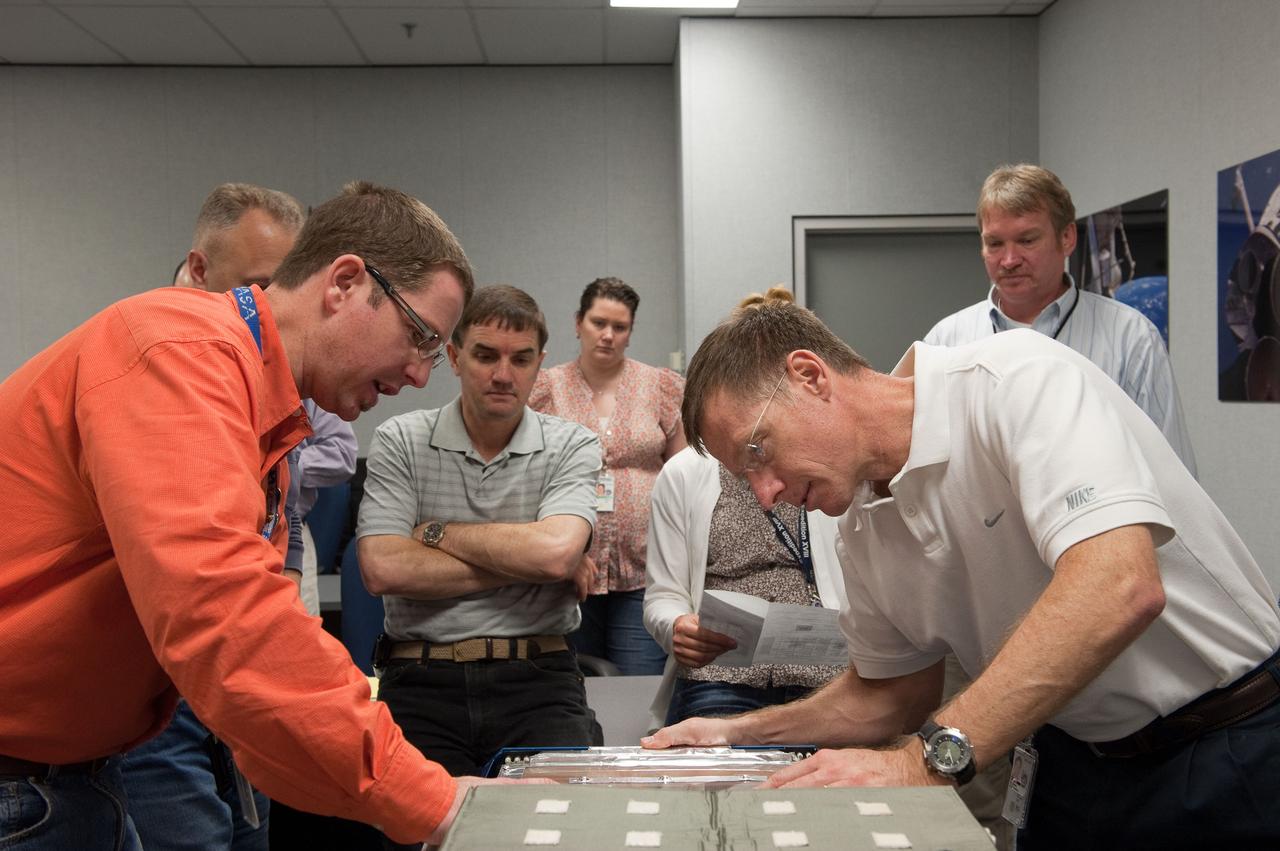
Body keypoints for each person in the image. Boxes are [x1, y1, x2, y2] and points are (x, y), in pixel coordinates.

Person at [642, 298, 1280, 850]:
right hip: (1076, 759)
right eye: (742, 476)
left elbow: (1118, 585)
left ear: (810, 376)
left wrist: (927, 761)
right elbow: (890, 694)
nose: (765, 492)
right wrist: (734, 733)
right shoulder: (861, 527)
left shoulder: (1017, 382)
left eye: (759, 453)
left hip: (1227, 741)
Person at [0, 181, 521, 849]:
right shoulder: (181, 350)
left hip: (73, 778)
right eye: (419, 336)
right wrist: (434, 799)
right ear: (344, 282)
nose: (420, 374)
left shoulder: (262, 411)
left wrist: (416, 785)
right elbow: (226, 611)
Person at [357, 286, 604, 825]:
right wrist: (528, 562)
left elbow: (557, 556)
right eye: (486, 355)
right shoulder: (401, 438)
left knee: (557, 830)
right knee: (416, 835)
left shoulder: (573, 444)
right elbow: (383, 568)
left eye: (521, 359)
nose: (503, 374)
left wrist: (435, 532)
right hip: (421, 681)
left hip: (539, 679)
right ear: (453, 356)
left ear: (541, 362)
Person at [644, 287, 847, 730]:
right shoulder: (685, 473)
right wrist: (678, 627)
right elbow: (663, 594)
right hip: (723, 674)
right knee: (720, 784)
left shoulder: (828, 464)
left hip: (827, 671)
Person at [924, 163, 1197, 476]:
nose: (1009, 260)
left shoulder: (1130, 338)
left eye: (1027, 240)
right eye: (995, 244)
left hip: (1102, 524)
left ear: (1066, 237)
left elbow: (1174, 476)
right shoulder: (945, 343)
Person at [529, 277, 685, 674]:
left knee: (639, 680)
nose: (608, 335)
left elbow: (684, 472)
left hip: (643, 566)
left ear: (630, 332)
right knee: (575, 682)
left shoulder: (659, 386)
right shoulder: (546, 388)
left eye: (620, 327)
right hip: (567, 571)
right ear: (578, 322)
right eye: (599, 323)